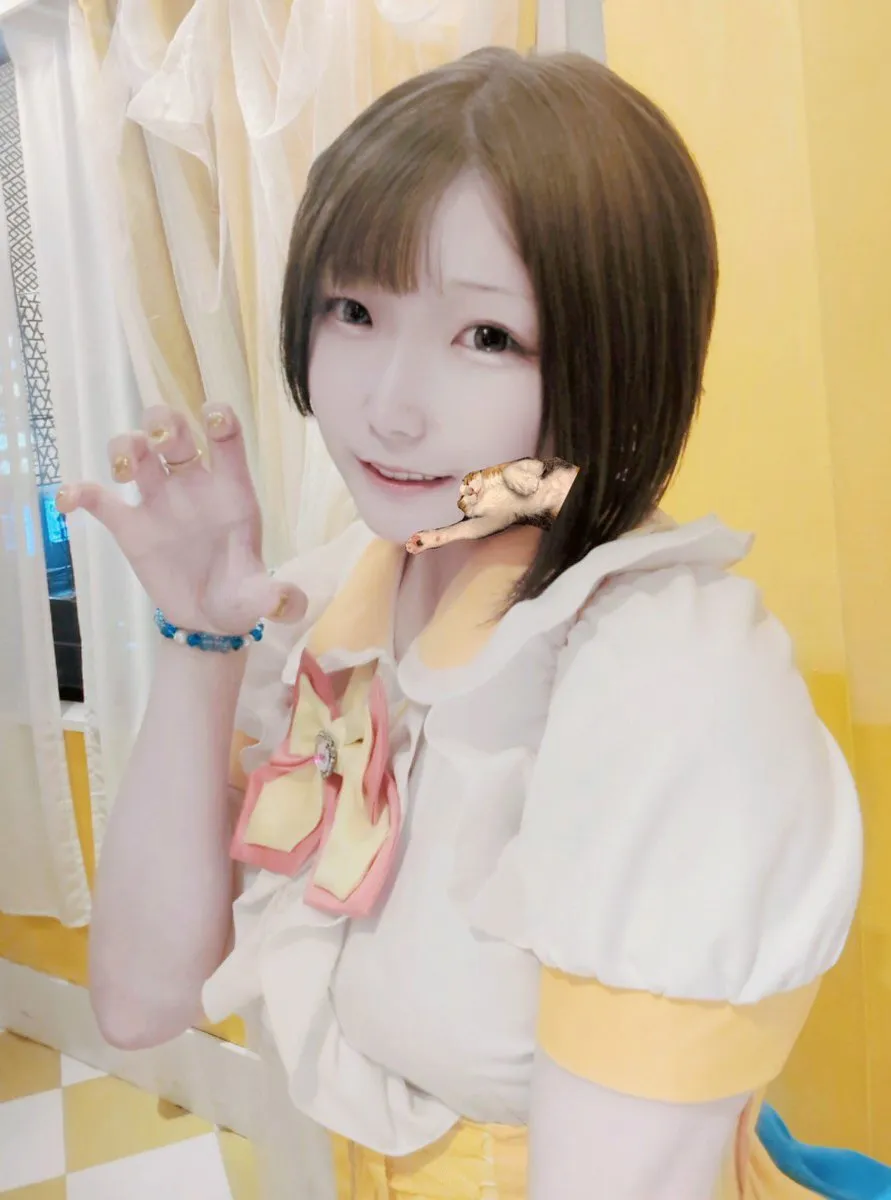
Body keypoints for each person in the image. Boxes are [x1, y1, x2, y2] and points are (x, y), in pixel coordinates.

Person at [58, 47, 887, 1200]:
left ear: (616, 351)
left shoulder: (667, 676)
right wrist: (198, 637)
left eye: (487, 336)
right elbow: (141, 1003)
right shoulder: (344, 590)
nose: (388, 409)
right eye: (354, 309)